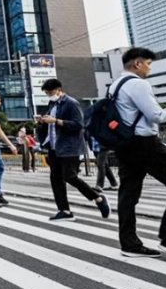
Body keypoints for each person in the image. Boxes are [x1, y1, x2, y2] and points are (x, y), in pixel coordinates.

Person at [110, 47, 166, 261]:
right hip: (145, 143)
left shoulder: (115, 85)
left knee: (128, 194)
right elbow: (155, 115)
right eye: (148, 63)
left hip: (125, 144)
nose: (150, 68)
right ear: (137, 64)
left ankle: (129, 243)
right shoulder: (138, 84)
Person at [35, 79, 110, 222]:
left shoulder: (71, 103)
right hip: (53, 146)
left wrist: (56, 121)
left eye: (50, 92)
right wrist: (42, 121)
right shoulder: (52, 104)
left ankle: (98, 198)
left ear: (58, 89)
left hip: (70, 147)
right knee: (55, 179)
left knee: (70, 176)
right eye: (46, 93)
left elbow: (79, 124)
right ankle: (64, 210)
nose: (49, 95)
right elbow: (51, 123)